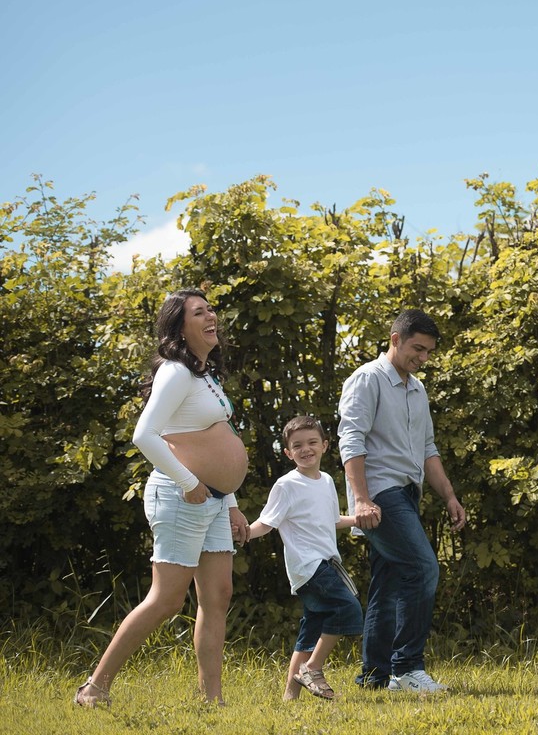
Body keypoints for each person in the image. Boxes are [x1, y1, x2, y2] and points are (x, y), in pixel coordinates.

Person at [74, 289, 250, 707]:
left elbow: (214, 445)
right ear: (179, 326)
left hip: (213, 500)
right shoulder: (176, 372)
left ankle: (213, 701)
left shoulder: (206, 374)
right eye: (199, 312)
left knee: (218, 595)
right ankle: (94, 688)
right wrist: (189, 481)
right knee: (168, 599)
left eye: (211, 309)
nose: (211, 317)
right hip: (180, 496)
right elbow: (144, 435)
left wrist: (231, 502)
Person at [337, 309, 467, 693]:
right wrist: (361, 500)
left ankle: (375, 677)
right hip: (380, 493)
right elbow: (351, 441)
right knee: (423, 567)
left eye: (428, 352)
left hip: (408, 492)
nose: (423, 358)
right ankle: (408, 668)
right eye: (417, 348)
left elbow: (427, 448)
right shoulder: (367, 380)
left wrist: (449, 495)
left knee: (390, 581)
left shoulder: (416, 388)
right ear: (395, 339)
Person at [244, 415, 363, 701]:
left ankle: (290, 697)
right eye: (297, 445)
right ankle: (312, 668)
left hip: (327, 563)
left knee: (312, 626)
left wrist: (358, 519)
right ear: (288, 452)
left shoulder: (327, 481)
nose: (305, 449)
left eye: (312, 442)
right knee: (349, 610)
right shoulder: (287, 485)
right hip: (308, 567)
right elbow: (267, 522)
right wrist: (244, 533)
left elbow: (331, 520)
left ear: (324, 445)